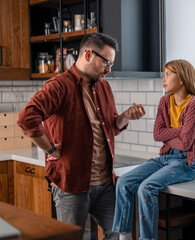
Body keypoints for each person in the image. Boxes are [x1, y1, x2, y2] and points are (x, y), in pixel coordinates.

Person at [17, 33, 146, 239]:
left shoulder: (104, 87)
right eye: (106, 62)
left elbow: (111, 127)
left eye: (112, 63)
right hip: (72, 184)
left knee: (120, 234)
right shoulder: (58, 86)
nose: (109, 69)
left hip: (105, 184)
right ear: (88, 55)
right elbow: (26, 117)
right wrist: (50, 148)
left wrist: (125, 117)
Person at [112, 59, 195, 240]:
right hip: (166, 158)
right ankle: (124, 237)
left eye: (168, 74)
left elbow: (185, 145)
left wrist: (175, 136)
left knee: (146, 188)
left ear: (181, 78)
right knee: (123, 182)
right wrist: (185, 131)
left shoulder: (194, 104)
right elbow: (157, 134)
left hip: (187, 163)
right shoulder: (164, 101)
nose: (163, 79)